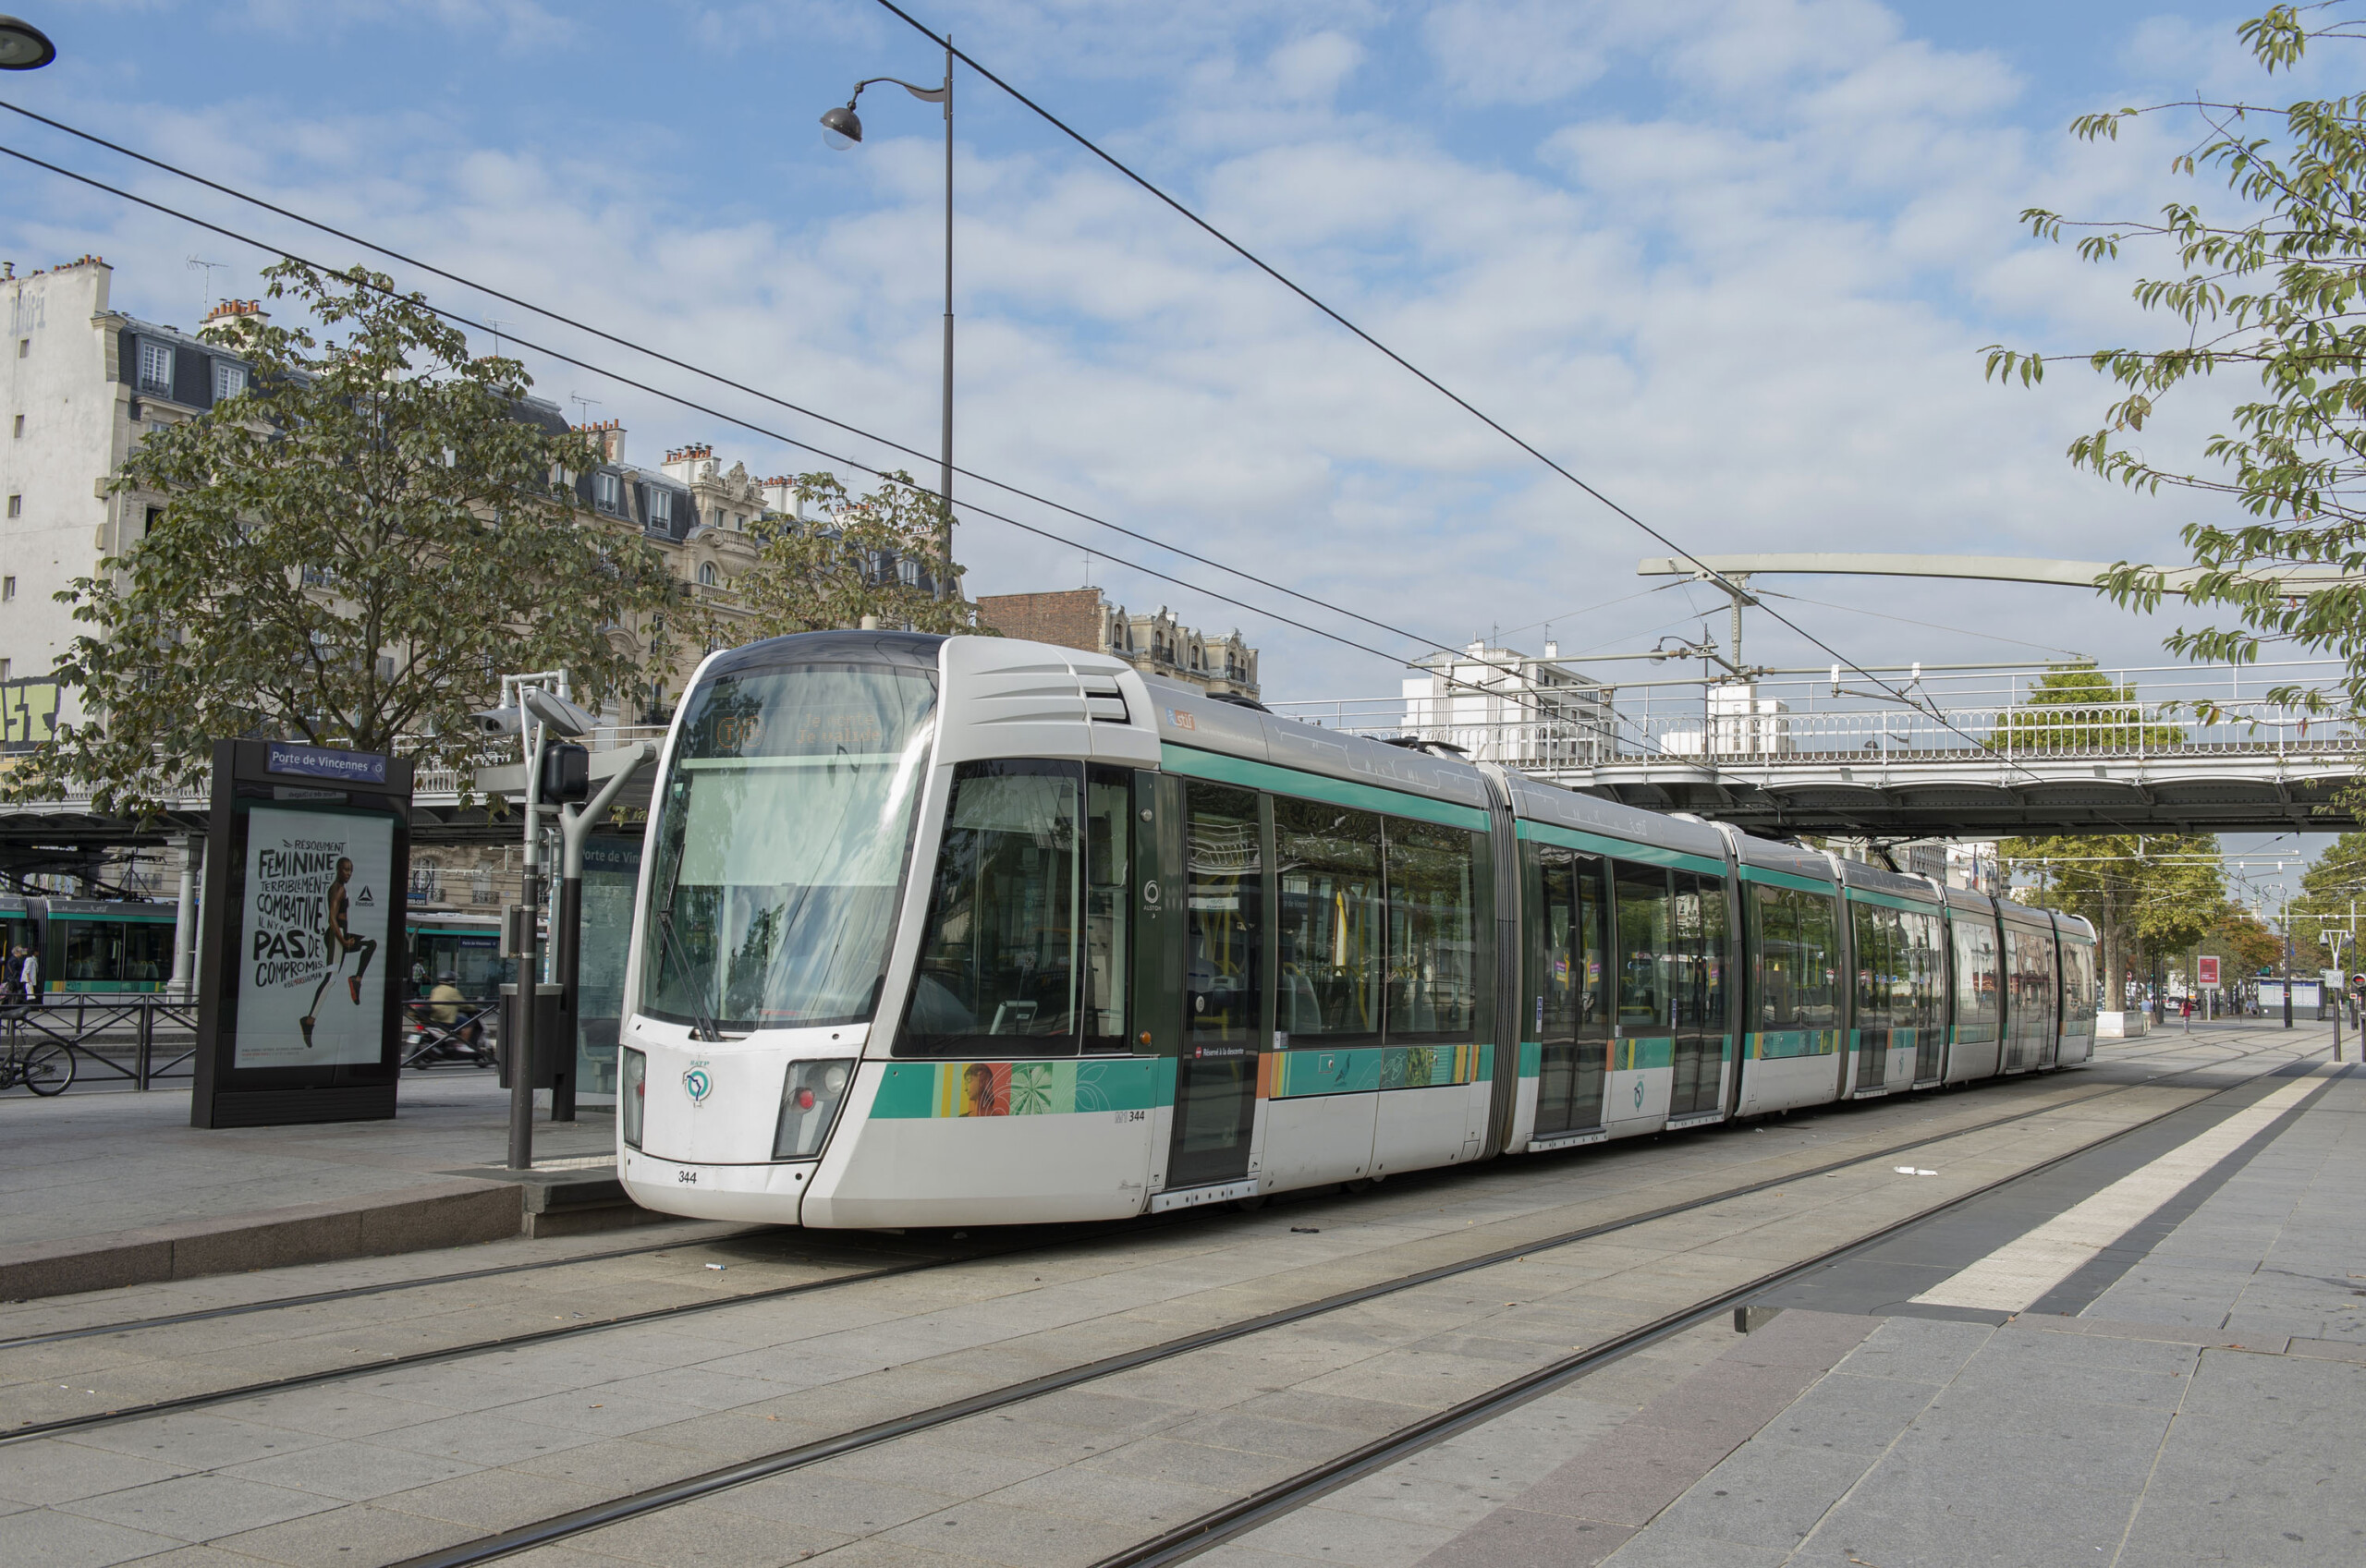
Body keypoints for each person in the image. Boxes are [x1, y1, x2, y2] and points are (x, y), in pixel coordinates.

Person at [299, 857, 378, 1048]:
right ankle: (309, 1021)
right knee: (331, 978)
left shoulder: (341, 888)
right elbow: (331, 919)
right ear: (337, 869)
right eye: (345, 870)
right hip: (337, 936)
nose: (348, 874)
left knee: (370, 944)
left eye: (351, 870)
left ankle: (356, 979)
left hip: (342, 934)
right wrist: (342, 940)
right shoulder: (338, 889)